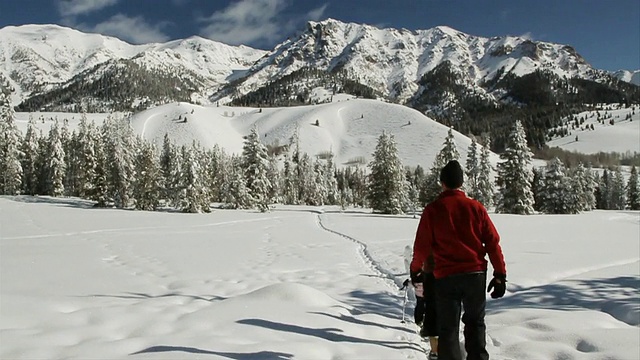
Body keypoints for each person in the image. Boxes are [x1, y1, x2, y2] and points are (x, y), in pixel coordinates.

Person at [410, 160, 507, 360]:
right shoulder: (476, 208)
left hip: (446, 277)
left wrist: (415, 270)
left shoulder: (433, 210)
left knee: (448, 330)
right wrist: (500, 274)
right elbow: (492, 243)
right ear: (461, 183)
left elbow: (421, 246)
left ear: (442, 183)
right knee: (475, 323)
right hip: (475, 274)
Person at [411, 258, 439, 360]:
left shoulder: (422, 270)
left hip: (428, 291)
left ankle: (435, 351)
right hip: (445, 283)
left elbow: (418, 258)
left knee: (430, 315)